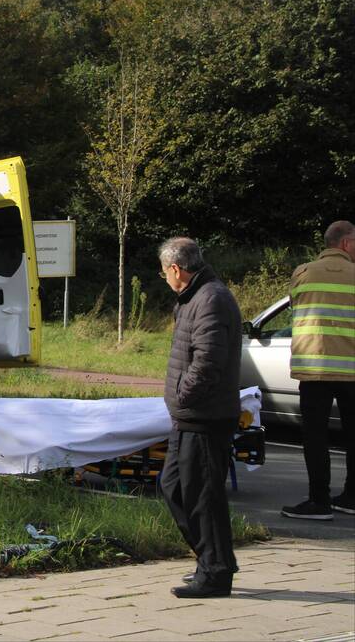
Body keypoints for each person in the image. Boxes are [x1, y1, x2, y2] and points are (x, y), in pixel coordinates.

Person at [158, 237, 242, 599]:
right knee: (174, 487)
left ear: (176, 269)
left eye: (165, 273)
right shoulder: (195, 297)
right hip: (188, 417)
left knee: (203, 497)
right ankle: (212, 559)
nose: (165, 279)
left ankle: (216, 572)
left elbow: (208, 362)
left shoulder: (211, 298)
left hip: (205, 417)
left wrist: (182, 395)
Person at [281, 220, 355, 520]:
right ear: (346, 244)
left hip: (313, 370)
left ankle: (319, 501)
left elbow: (293, 305)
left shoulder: (303, 273)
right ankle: (351, 496)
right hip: (352, 372)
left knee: (315, 437)